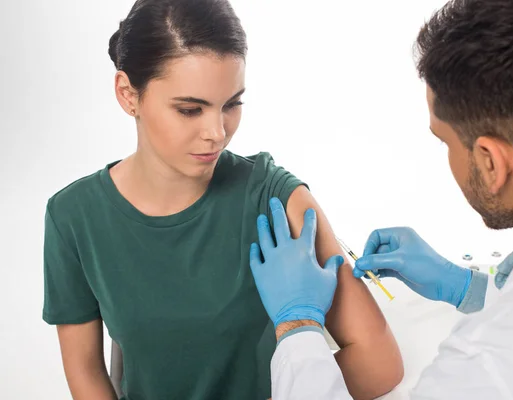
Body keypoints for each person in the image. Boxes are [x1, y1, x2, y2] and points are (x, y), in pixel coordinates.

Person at [41, 1, 403, 399]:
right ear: (128, 94)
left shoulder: (275, 200)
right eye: (190, 109)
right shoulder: (73, 217)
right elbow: (86, 372)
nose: (217, 132)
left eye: (232, 104)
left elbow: (379, 363)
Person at [249, 0, 513, 398]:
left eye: (444, 141)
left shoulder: (490, 360)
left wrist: (298, 326)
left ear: (490, 162)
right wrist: (470, 288)